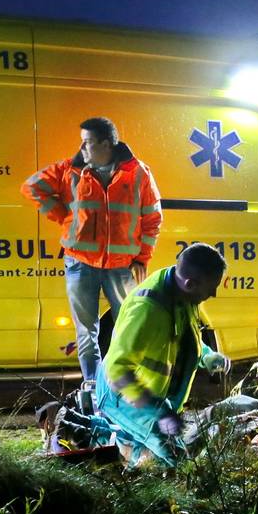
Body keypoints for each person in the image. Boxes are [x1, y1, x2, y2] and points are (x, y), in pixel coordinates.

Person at [21, 116, 162, 382]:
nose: (82, 148)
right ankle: (93, 388)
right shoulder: (71, 170)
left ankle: (125, 387)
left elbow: (153, 218)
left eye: (87, 143)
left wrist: (142, 258)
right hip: (80, 262)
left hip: (122, 266)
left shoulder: (138, 173)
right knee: (86, 333)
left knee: (128, 327)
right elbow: (31, 187)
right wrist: (64, 217)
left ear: (106, 144)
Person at [92, 243, 231, 467]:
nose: (213, 293)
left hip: (151, 397)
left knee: (154, 448)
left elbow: (185, 339)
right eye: (211, 288)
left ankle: (124, 451)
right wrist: (159, 413)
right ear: (190, 284)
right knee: (170, 458)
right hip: (123, 397)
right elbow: (117, 370)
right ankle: (109, 448)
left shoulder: (181, 291)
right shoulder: (147, 310)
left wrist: (207, 355)